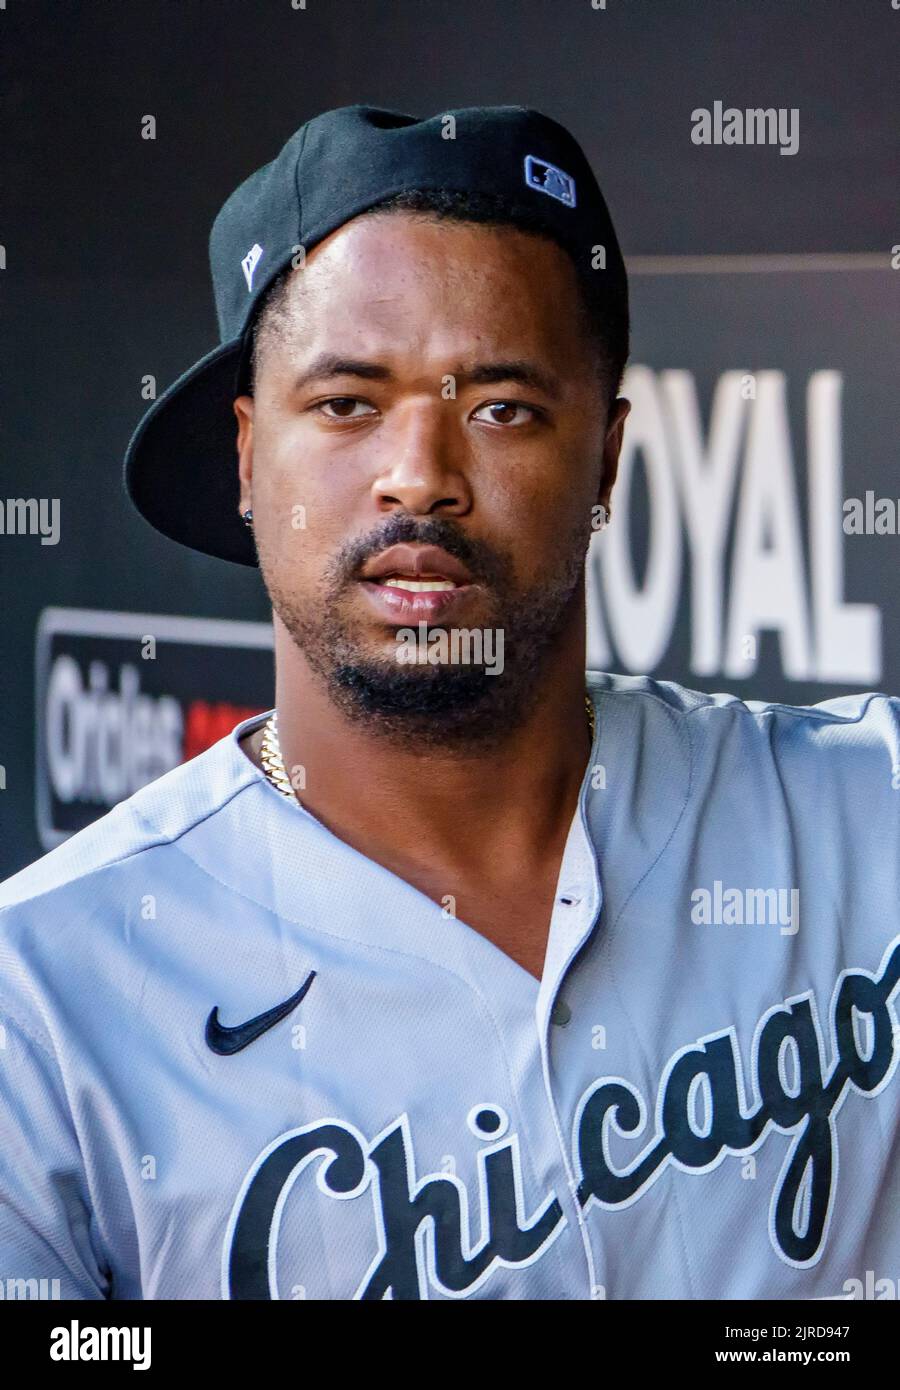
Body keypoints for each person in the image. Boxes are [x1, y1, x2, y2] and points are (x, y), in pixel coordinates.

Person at [0, 105, 897, 1302]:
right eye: (347, 402)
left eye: (502, 408)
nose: (420, 471)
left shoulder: (868, 816)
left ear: (610, 461)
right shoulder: (41, 997)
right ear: (245, 454)